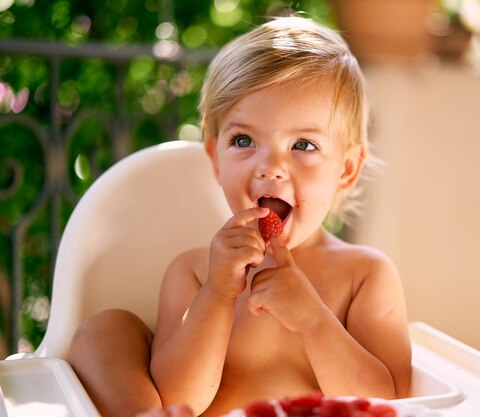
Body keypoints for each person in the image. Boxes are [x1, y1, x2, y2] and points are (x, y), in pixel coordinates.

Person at [68, 16, 412, 417]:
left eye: (303, 144)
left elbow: (392, 401)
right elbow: (178, 399)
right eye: (244, 140)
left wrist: (315, 321)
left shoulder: (363, 276)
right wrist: (216, 293)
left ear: (347, 170)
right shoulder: (194, 272)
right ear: (215, 159)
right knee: (102, 332)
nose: (271, 167)